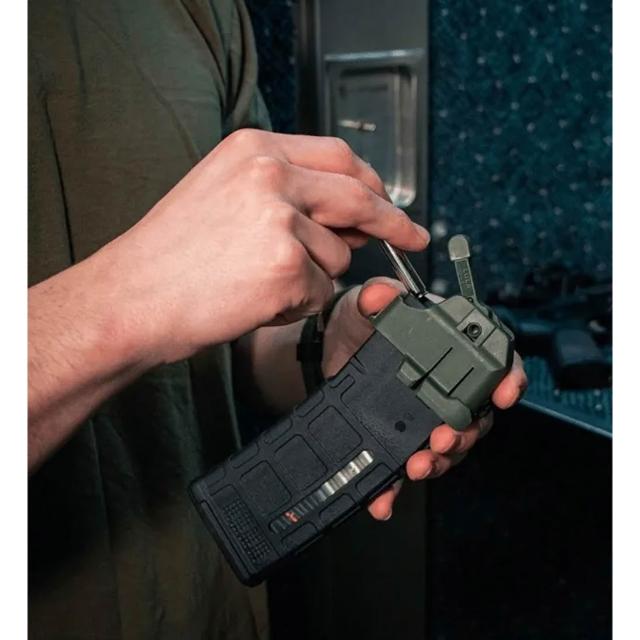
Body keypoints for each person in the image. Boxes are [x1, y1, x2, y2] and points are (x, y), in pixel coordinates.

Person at [28, 0, 527, 637]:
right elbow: (164, 296)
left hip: (206, 604)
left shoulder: (202, 12)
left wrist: (325, 344)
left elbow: (229, 341)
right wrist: (126, 302)